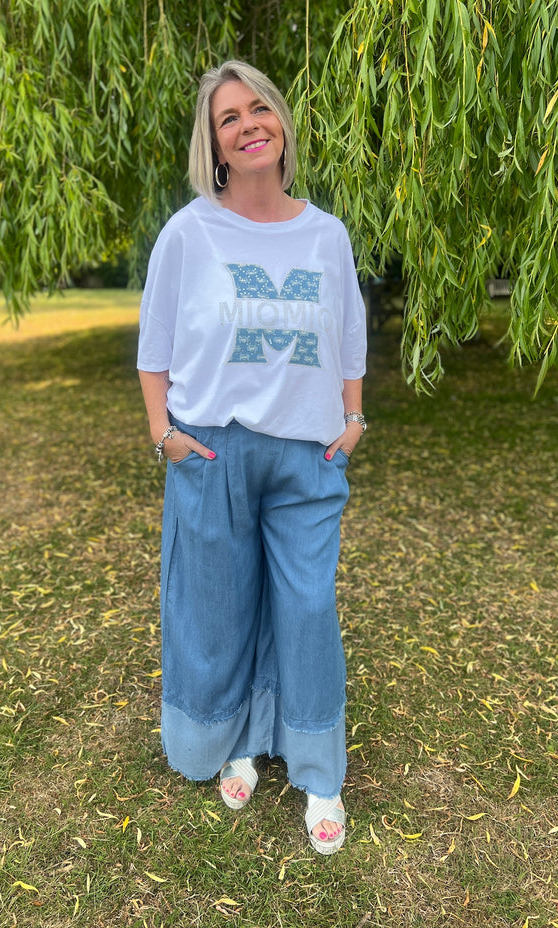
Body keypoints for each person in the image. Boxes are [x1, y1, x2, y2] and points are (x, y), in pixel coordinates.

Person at [137, 60, 367, 855]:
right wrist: (163, 432)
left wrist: (353, 418)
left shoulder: (326, 234)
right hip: (214, 449)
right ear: (215, 145)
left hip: (307, 454)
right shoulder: (189, 232)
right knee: (221, 606)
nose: (248, 125)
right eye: (228, 118)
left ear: (281, 123)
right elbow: (155, 347)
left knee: (305, 608)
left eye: (258, 108)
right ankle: (234, 736)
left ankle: (318, 766)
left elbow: (349, 336)